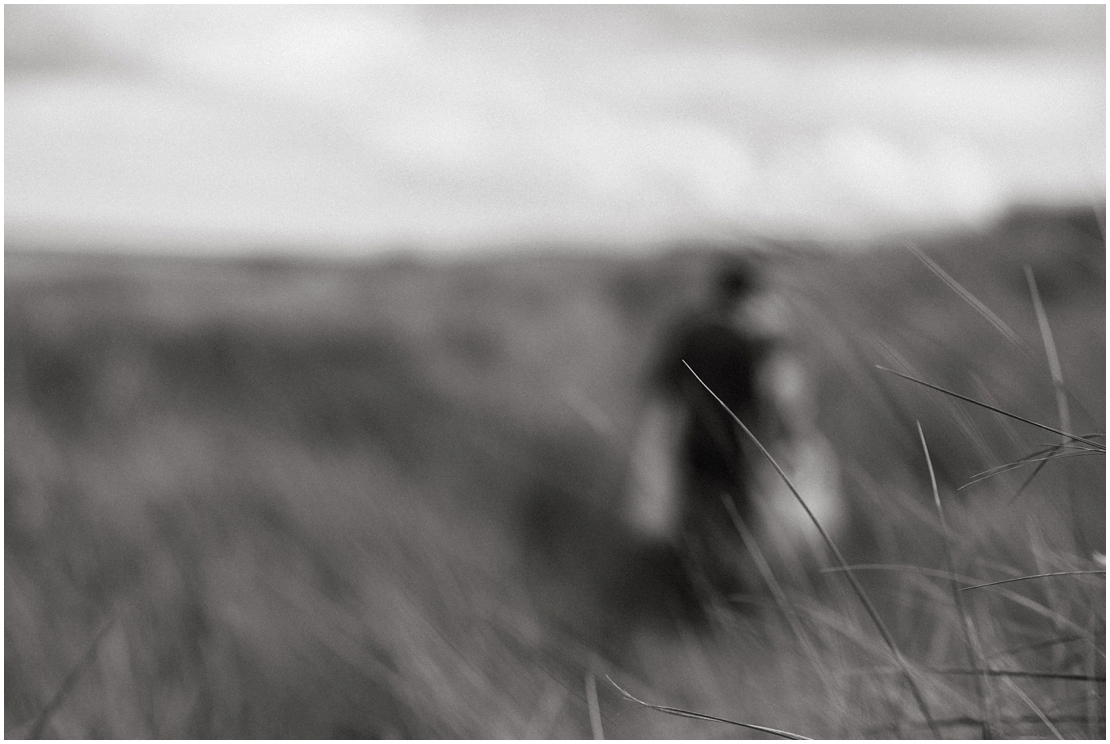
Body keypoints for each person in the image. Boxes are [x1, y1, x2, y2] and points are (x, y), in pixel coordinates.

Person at [624, 255, 842, 600]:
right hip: (740, 445)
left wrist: (653, 448)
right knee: (736, 520)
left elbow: (661, 390)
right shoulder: (755, 341)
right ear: (750, 295)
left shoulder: (688, 333)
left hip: (693, 443)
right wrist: (793, 441)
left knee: (696, 514)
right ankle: (728, 597)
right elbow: (777, 397)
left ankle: (693, 593)